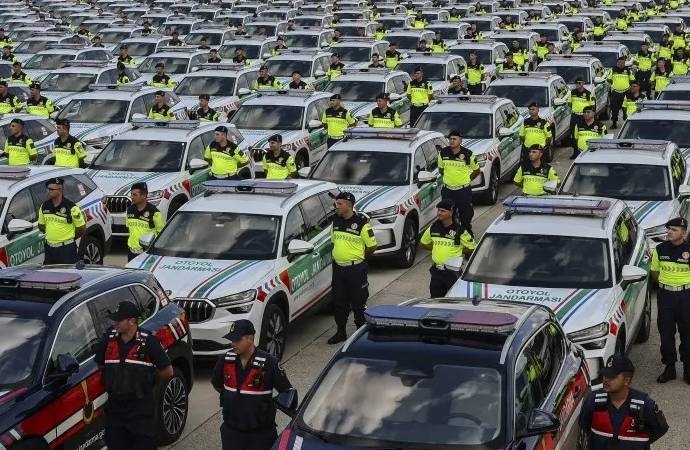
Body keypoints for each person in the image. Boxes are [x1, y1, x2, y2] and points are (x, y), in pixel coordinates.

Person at [96, 301, 173, 450]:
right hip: (115, 412)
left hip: (141, 413)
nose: (115, 323)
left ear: (132, 321)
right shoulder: (108, 340)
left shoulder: (149, 342)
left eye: (119, 320)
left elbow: (167, 371)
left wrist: (148, 381)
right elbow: (100, 364)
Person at [211, 319, 294, 450]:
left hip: (261, 435)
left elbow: (287, 392)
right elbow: (216, 384)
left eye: (237, 340)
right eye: (231, 339)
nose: (233, 343)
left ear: (250, 339)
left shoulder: (270, 363)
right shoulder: (225, 360)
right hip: (232, 433)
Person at [579, 354, 669, 450]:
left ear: (626, 380)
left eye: (612, 376)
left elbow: (659, 430)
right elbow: (585, 427)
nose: (606, 379)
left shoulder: (646, 405)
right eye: (605, 374)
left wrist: (637, 444)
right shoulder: (593, 401)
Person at [328, 192, 377, 344]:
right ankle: (341, 331)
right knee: (339, 301)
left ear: (348, 205)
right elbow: (333, 242)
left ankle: (360, 335)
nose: (336, 206)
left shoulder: (362, 224)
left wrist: (358, 259)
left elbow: (372, 246)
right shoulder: (336, 222)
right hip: (339, 269)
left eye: (339, 204)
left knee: (358, 301)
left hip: (356, 269)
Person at [651, 217, 690, 384]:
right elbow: (654, 272)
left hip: (685, 296)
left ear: (683, 232)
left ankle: (688, 369)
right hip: (665, 296)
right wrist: (666, 285)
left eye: (674, 230)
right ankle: (670, 368)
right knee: (666, 333)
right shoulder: (660, 249)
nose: (669, 232)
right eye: (668, 229)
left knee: (687, 333)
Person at [421, 199, 476, 297]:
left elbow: (472, 247)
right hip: (437, 272)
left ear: (451, 212)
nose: (439, 213)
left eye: (443, 211)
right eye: (438, 210)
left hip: (452, 273)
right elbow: (423, 243)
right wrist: (436, 249)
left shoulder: (460, 230)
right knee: (435, 300)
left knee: (453, 300)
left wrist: (459, 251)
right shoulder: (433, 227)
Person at [438, 130, 480, 233]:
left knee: (465, 217)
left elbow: (477, 170)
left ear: (460, 141)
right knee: (447, 218)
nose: (451, 141)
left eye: (454, 139)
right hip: (448, 191)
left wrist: (466, 180)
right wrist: (450, 178)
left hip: (463, 191)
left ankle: (468, 239)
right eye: (450, 139)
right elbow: (441, 170)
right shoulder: (443, 153)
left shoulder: (468, 154)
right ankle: (450, 238)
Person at [38, 177, 86, 264]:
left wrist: (68, 238)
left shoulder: (71, 207)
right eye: (47, 189)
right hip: (49, 249)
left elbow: (81, 229)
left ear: (60, 190)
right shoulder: (44, 206)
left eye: (51, 189)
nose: (48, 191)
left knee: (68, 275)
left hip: (66, 249)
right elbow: (41, 226)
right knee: (49, 275)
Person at [126, 182, 164, 261]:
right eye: (131, 194)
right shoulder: (129, 210)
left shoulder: (155, 213)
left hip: (146, 254)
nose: (131, 197)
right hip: (131, 253)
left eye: (134, 195)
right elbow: (129, 229)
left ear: (143, 195)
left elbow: (161, 235)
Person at [568, 77, 595, 157]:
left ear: (583, 83)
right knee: (574, 134)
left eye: (579, 83)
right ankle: (575, 152)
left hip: (584, 116)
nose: (578, 84)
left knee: (583, 133)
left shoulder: (588, 93)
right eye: (576, 83)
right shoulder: (572, 92)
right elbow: (570, 103)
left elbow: (592, 105)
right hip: (575, 115)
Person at [608, 57, 635, 129]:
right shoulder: (613, 69)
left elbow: (632, 80)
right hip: (616, 92)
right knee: (614, 108)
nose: (621, 64)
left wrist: (627, 86)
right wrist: (615, 85)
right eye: (619, 62)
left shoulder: (628, 70)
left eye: (623, 62)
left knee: (626, 107)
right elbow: (609, 79)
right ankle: (614, 123)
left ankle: (626, 120)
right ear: (617, 63)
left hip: (626, 92)